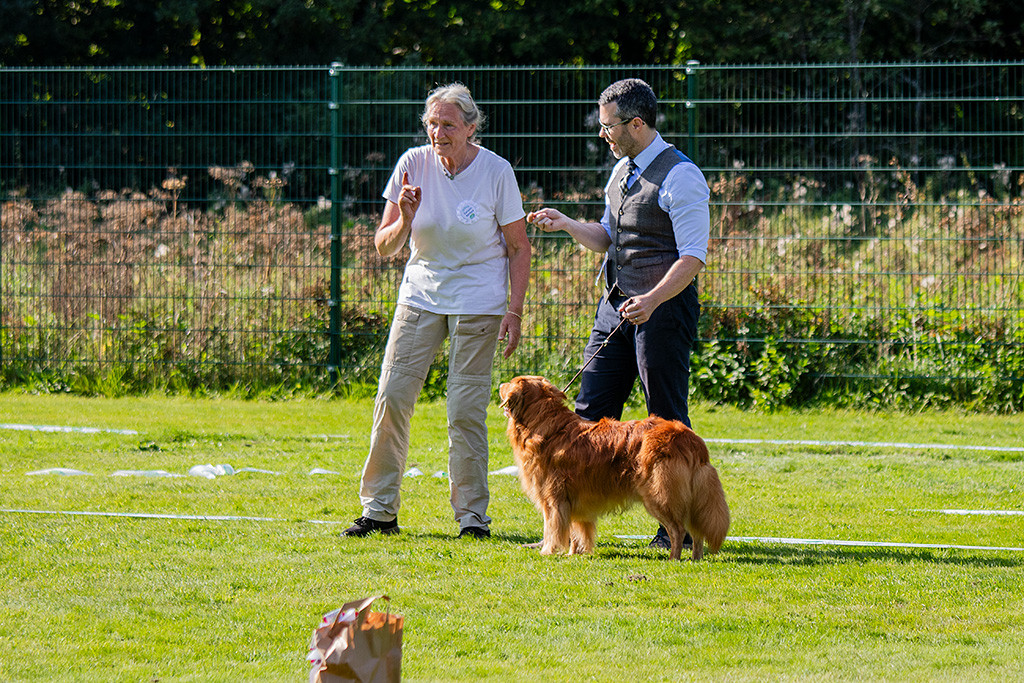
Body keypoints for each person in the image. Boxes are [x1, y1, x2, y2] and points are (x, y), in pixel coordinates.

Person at [527, 78, 710, 550]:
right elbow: (608, 236)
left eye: (609, 126)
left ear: (636, 123)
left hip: (663, 311)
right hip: (615, 308)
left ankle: (678, 530)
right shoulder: (619, 172)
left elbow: (692, 257)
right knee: (588, 415)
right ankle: (572, 528)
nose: (603, 134)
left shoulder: (681, 175)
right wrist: (567, 224)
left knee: (664, 419)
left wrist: (652, 300)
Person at [343, 83, 531, 540]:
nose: (438, 133)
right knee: (392, 396)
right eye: (432, 124)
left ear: (470, 127)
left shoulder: (496, 171)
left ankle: (472, 517)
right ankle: (379, 511)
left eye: (448, 124)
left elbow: (518, 246)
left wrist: (515, 311)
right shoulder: (412, 164)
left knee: (465, 409)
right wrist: (405, 219)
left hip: (479, 301)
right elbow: (384, 246)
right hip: (421, 294)